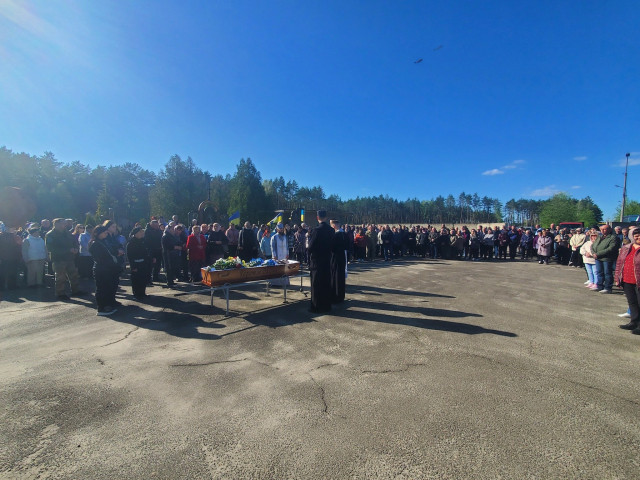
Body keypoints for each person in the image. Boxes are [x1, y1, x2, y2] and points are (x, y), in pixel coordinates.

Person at [45, 218, 86, 300]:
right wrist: (68, 250)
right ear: (56, 224)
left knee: (74, 275)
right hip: (58, 259)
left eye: (65, 223)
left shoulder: (67, 232)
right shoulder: (50, 234)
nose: (65, 225)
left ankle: (76, 290)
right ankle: (60, 293)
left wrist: (75, 248)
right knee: (60, 277)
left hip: (70, 258)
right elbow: (51, 248)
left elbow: (74, 241)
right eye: (63, 223)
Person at [615, 226, 640, 335]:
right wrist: (617, 277)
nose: (638, 238)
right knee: (632, 302)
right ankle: (634, 322)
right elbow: (619, 263)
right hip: (627, 279)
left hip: (638, 280)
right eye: (636, 236)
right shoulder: (626, 247)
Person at [307, 210, 334, 313]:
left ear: (317, 218)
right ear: (326, 218)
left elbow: (310, 247)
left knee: (316, 284)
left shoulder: (316, 230)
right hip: (327, 260)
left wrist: (307, 247)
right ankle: (326, 305)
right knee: (326, 283)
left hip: (317, 261)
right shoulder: (331, 230)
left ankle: (316, 306)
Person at [90, 225, 119, 316]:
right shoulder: (95, 244)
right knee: (102, 288)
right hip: (101, 270)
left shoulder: (103, 241)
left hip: (108, 269)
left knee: (108, 288)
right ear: (97, 233)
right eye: (104, 232)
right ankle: (102, 308)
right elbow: (100, 258)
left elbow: (110, 252)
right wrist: (110, 262)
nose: (106, 234)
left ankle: (108, 304)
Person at [592, 224, 620, 294]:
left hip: (607, 258)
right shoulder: (600, 236)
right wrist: (593, 253)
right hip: (598, 258)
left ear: (610, 229)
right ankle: (599, 286)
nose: (602, 231)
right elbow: (593, 245)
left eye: (604, 229)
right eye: (601, 229)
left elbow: (611, 248)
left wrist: (598, 254)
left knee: (607, 273)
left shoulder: (613, 237)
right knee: (599, 272)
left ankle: (608, 288)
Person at [126, 227, 149, 300]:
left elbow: (146, 252)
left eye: (142, 232)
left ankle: (142, 293)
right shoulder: (131, 243)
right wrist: (133, 267)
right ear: (135, 233)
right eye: (140, 232)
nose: (142, 233)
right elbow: (130, 256)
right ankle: (136, 294)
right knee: (136, 280)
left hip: (143, 263)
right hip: (136, 264)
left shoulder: (143, 241)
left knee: (143, 279)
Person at [330, 220, 348, 303]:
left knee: (336, 276)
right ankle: (341, 295)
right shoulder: (344, 234)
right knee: (341, 276)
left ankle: (335, 296)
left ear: (334, 226)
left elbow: (332, 247)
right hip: (342, 256)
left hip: (336, 257)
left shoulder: (336, 235)